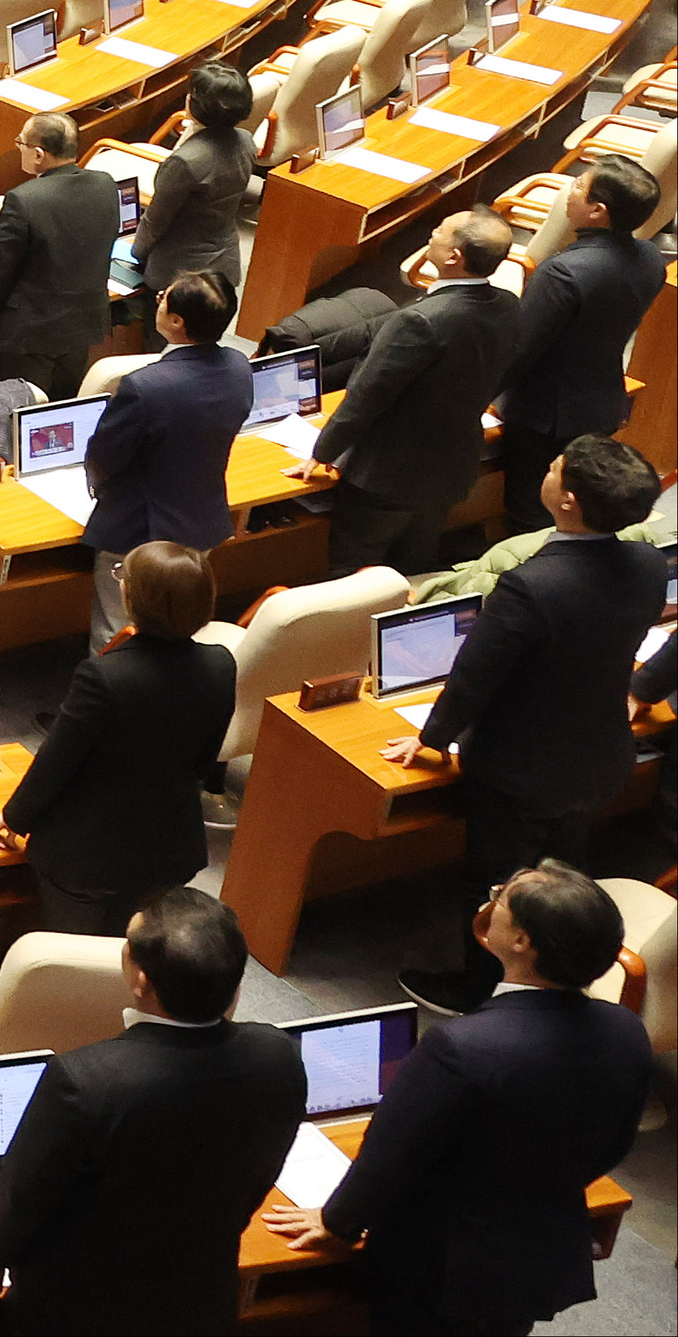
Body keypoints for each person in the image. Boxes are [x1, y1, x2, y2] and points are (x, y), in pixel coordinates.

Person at [276, 862, 654, 1332]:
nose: (489, 902)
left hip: (441, 1270)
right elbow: (614, 1143)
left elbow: (392, 1154)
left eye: (501, 897)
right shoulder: (626, 1030)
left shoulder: (461, 1045)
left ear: (523, 942)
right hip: (533, 1257)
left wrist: (337, 1222)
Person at [383, 434, 669, 1011]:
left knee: (495, 884)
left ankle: (477, 991)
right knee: (563, 860)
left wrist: (430, 738)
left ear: (567, 502)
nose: (548, 468)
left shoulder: (531, 584)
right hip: (597, 752)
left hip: (519, 768)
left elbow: (475, 677)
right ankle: (565, 963)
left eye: (556, 468)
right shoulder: (645, 563)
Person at [0, 542, 233, 934]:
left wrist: (13, 817)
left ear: (135, 599)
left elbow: (57, 761)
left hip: (87, 858)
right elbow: (205, 760)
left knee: (74, 963)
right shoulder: (221, 664)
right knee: (135, 952)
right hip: (170, 849)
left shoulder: (103, 675)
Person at [305, 206, 526, 573]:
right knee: (415, 567)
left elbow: (368, 393)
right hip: (450, 466)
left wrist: (323, 451)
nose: (431, 235)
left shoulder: (420, 320)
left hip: (387, 474)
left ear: (454, 256)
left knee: (353, 574)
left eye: (439, 231)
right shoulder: (508, 305)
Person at [76, 267, 251, 643]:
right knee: (181, 627)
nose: (156, 301)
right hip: (201, 522)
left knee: (117, 633)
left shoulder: (145, 386)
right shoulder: (240, 367)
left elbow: (104, 458)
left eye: (162, 298)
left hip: (140, 533)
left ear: (176, 321)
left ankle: (110, 697)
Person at [495, 157, 663, 526]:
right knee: (579, 501)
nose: (568, 191)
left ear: (597, 211)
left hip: (542, 412)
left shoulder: (564, 273)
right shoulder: (652, 258)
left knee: (529, 509)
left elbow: (521, 350)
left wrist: (478, 395)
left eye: (577, 187)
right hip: (602, 400)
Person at [0, 112, 122, 403]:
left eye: (21, 143)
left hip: (30, 335)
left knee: (19, 415)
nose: (19, 149)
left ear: (38, 154)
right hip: (81, 326)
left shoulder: (23, 200)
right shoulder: (105, 185)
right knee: (61, 410)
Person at [134, 61, 255, 299]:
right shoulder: (246, 141)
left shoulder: (185, 162)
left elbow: (155, 222)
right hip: (224, 262)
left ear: (194, 105)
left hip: (179, 273)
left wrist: (136, 253)